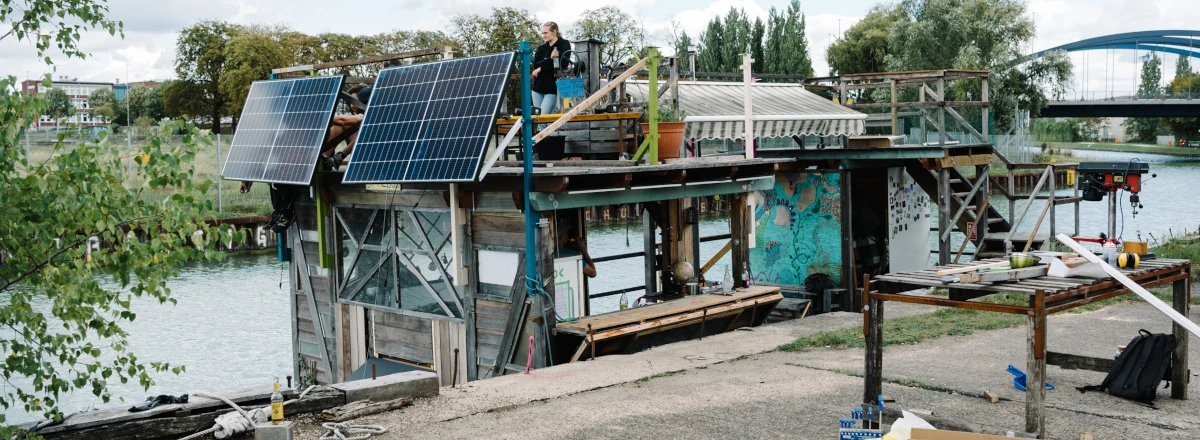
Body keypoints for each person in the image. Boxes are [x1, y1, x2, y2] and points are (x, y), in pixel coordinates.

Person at [241, 85, 372, 232]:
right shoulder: (305, 119)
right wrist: (247, 177)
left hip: (321, 163)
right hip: (308, 161)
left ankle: (287, 212)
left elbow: (348, 129)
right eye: (352, 102)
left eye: (356, 101)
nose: (353, 105)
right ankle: (279, 212)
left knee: (291, 169)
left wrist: (339, 158)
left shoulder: (357, 118)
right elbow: (270, 148)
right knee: (276, 170)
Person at [531, 21, 572, 116]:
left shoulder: (564, 44)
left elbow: (561, 65)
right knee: (538, 118)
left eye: (546, 33)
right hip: (538, 88)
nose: (543, 36)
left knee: (543, 117)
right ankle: (541, 132)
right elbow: (536, 64)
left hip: (552, 88)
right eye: (542, 33)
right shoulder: (541, 48)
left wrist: (541, 69)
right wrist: (550, 58)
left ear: (554, 32)